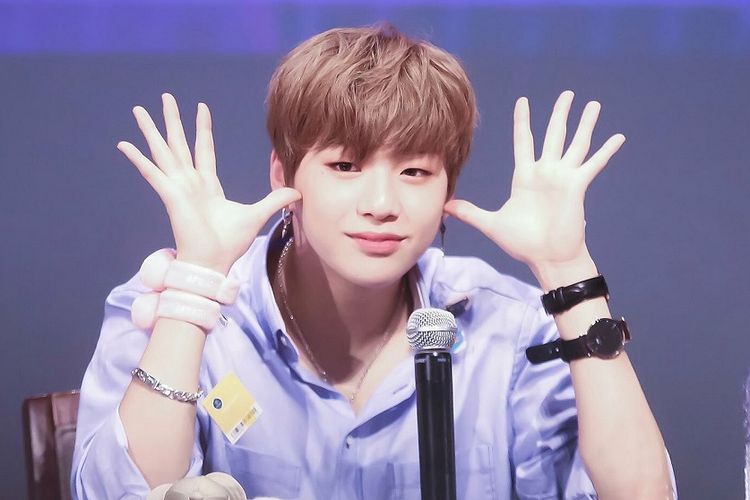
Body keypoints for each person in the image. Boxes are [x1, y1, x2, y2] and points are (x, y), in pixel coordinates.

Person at [71, 24, 675, 499]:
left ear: (447, 188)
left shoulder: (509, 326)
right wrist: (194, 288)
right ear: (284, 175)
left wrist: (569, 273)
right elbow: (119, 494)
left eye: (415, 171)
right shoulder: (174, 305)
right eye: (345, 166)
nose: (382, 204)